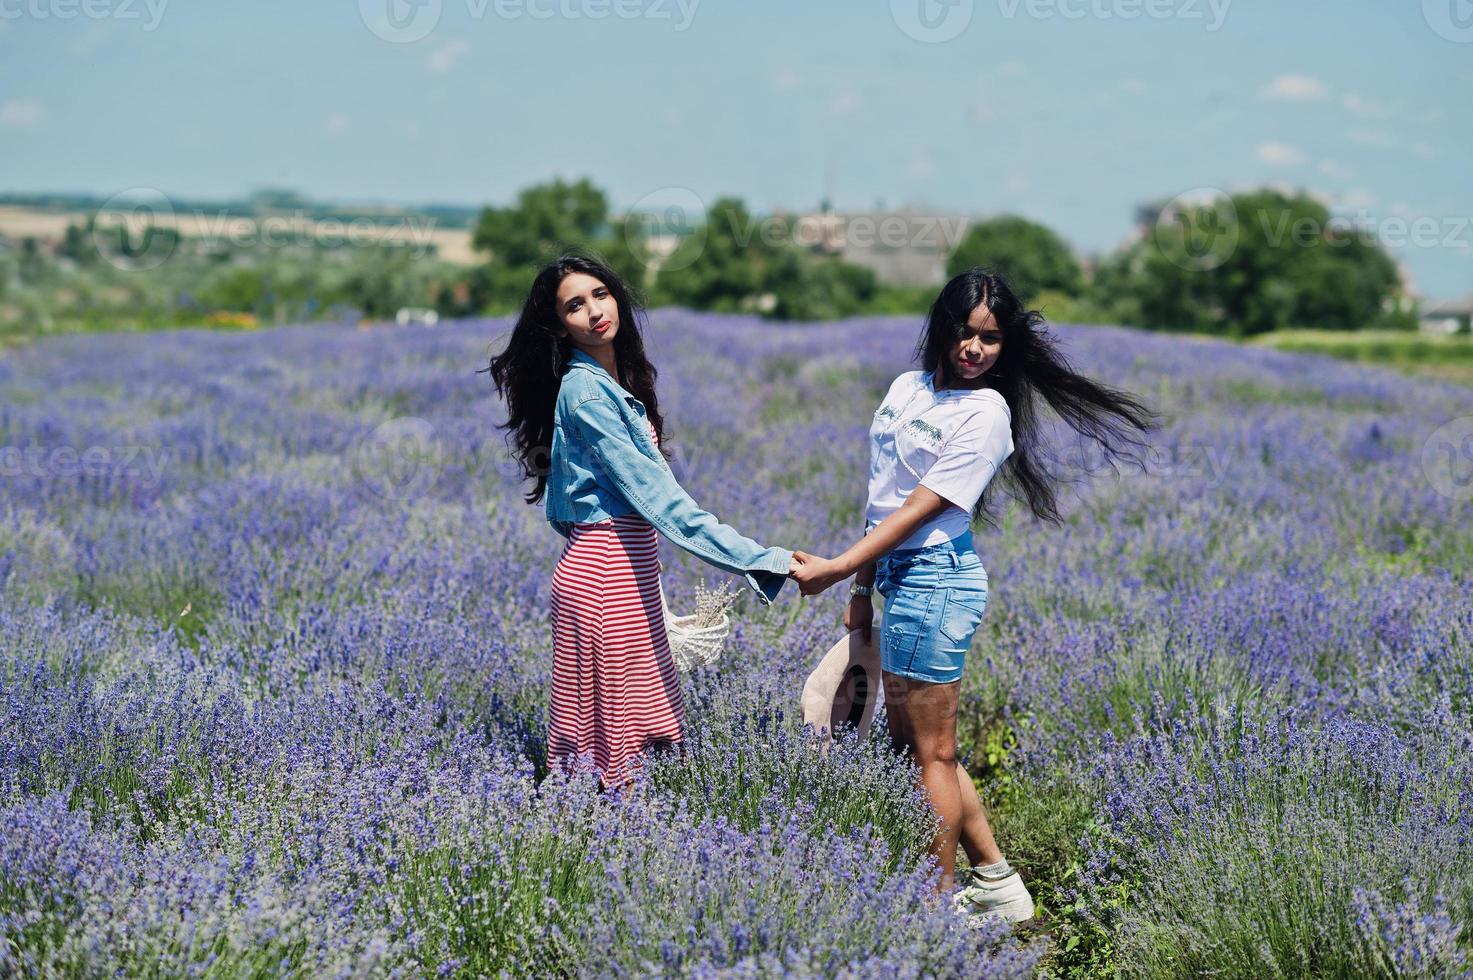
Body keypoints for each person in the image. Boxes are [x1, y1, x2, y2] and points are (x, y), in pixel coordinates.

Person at [791, 267, 1157, 921]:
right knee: (919, 747)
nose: (973, 349)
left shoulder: (987, 412)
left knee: (927, 753)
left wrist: (839, 566)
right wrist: (862, 588)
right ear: (942, 326)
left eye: (989, 340)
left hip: (936, 582)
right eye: (964, 332)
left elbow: (923, 506)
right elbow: (882, 495)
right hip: (898, 579)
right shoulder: (906, 387)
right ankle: (996, 882)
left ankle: (935, 910)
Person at [487, 253, 803, 790]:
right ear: (560, 326)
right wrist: (767, 561)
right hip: (603, 582)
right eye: (574, 306)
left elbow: (569, 509)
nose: (593, 312)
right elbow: (662, 504)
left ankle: (614, 850)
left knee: (633, 735)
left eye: (600, 295)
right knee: (618, 750)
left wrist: (633, 565)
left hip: (618, 574)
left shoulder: (611, 382)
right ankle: (611, 858)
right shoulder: (586, 393)